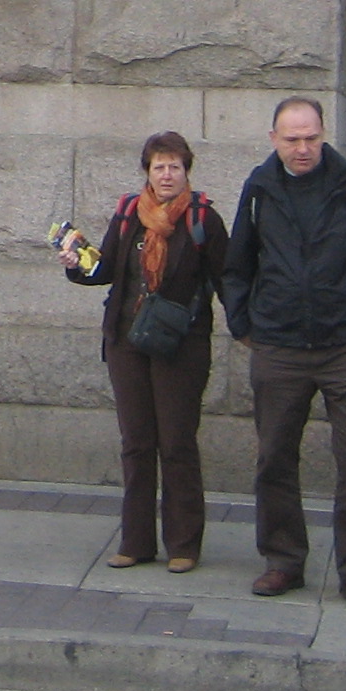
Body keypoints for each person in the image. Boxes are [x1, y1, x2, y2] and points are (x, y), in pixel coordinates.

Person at [220, 95, 346, 612]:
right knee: (274, 457)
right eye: (291, 139)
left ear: (323, 134)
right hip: (279, 346)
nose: (302, 148)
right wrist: (242, 324)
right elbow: (236, 266)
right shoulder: (259, 189)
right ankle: (283, 560)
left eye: (310, 137)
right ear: (273, 139)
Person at [61, 130, 227, 572]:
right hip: (127, 341)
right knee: (136, 442)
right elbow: (109, 270)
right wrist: (78, 267)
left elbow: (228, 280)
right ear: (148, 172)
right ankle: (135, 541)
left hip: (180, 346)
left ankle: (184, 545)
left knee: (176, 442)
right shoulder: (129, 214)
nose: (167, 174)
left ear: (186, 170)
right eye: (159, 166)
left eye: (174, 166)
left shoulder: (202, 219)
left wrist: (252, 325)